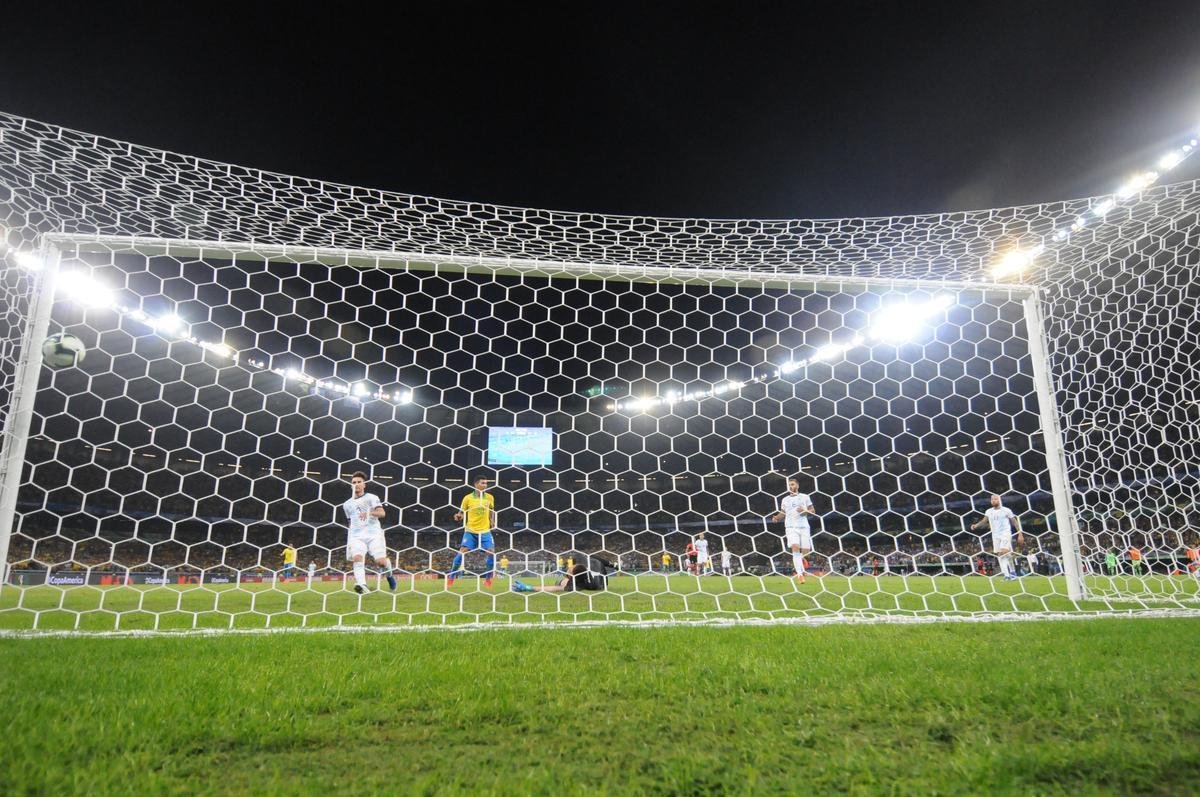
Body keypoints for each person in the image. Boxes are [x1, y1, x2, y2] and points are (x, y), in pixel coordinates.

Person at [342, 471, 397, 594]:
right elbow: (350, 522)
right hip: (356, 536)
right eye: (354, 482)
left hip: (373, 533)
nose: (356, 484)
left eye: (359, 482)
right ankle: (362, 585)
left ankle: (389, 576)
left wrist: (369, 513)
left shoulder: (372, 497)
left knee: (381, 562)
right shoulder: (347, 504)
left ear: (364, 484)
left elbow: (382, 513)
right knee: (357, 558)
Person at [450, 476, 497, 588]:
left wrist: (492, 520)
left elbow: (492, 511)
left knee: (491, 552)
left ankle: (488, 579)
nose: (485, 485)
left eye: (486, 483)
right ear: (476, 484)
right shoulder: (467, 498)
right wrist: (458, 516)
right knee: (462, 551)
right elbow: (460, 513)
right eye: (482, 483)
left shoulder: (489, 497)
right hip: (470, 530)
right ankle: (451, 576)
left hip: (485, 530)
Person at [969, 494, 1025, 582]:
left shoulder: (1006, 510)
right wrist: (976, 525)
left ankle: (1008, 575)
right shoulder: (988, 511)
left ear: (999, 500)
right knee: (1006, 555)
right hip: (995, 535)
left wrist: (1020, 534)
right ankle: (1012, 574)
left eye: (995, 499)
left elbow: (1015, 522)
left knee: (1003, 553)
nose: (993, 501)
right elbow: (984, 521)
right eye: (992, 499)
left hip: (1005, 533)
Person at [772, 477, 815, 584]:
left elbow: (813, 511)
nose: (791, 486)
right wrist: (777, 518)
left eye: (792, 484)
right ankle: (800, 574)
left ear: (797, 486)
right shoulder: (785, 499)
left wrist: (804, 510)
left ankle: (801, 561)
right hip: (791, 527)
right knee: (795, 548)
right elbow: (783, 513)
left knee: (806, 551)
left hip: (804, 526)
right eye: (789, 485)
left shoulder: (805, 497)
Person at [512, 559, 613, 593]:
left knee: (560, 583)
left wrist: (528, 588)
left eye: (570, 570)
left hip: (600, 583)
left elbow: (553, 588)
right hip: (601, 579)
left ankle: (562, 580)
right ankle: (613, 564)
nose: (569, 567)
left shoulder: (577, 585)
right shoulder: (595, 566)